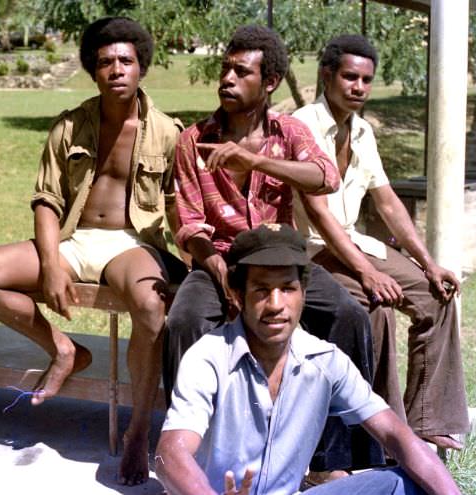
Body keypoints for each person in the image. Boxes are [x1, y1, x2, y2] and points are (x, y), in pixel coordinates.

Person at [0, 17, 185, 486]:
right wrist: (50, 266)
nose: (116, 70)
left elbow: (179, 209)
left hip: (132, 243)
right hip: (73, 239)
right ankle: (62, 349)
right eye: (105, 62)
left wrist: (201, 264)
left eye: (126, 60)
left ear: (141, 66)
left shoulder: (168, 132)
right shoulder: (70, 125)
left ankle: (139, 430)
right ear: (93, 70)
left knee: (150, 308)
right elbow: (47, 201)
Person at [164, 24, 384, 478]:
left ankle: (329, 462)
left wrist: (257, 161)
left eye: (241, 72)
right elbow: (187, 224)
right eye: (225, 69)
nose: (227, 79)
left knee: (349, 315)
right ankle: (185, 461)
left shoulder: (288, 132)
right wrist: (221, 270)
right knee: (184, 320)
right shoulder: (194, 139)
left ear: (268, 84)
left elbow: (326, 176)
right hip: (220, 259)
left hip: (284, 261)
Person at [155, 224, 462, 495]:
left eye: (287, 289)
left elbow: (397, 435)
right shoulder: (209, 356)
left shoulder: (325, 361)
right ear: (237, 294)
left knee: (405, 484)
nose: (276, 305)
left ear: (303, 292)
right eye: (261, 290)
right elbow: (171, 453)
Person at [292, 34, 469, 451]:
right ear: (327, 76)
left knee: (436, 297)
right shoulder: (301, 126)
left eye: (366, 80)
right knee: (375, 307)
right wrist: (367, 272)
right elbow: (317, 212)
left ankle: (427, 418)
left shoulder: (362, 131)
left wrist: (429, 263)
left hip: (351, 241)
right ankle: (383, 429)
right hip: (310, 249)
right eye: (350, 77)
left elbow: (387, 203)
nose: (358, 87)